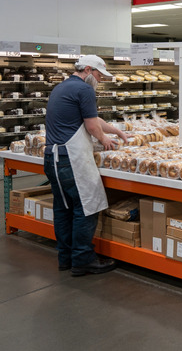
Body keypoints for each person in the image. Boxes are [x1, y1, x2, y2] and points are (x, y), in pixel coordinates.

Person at [44, 55, 129, 277]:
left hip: (52, 157)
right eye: (99, 76)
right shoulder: (84, 90)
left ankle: (66, 257)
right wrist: (105, 140)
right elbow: (92, 126)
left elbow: (90, 118)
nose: (99, 81)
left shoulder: (62, 87)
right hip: (71, 159)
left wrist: (117, 131)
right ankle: (83, 260)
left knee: (63, 209)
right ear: (89, 70)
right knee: (87, 207)